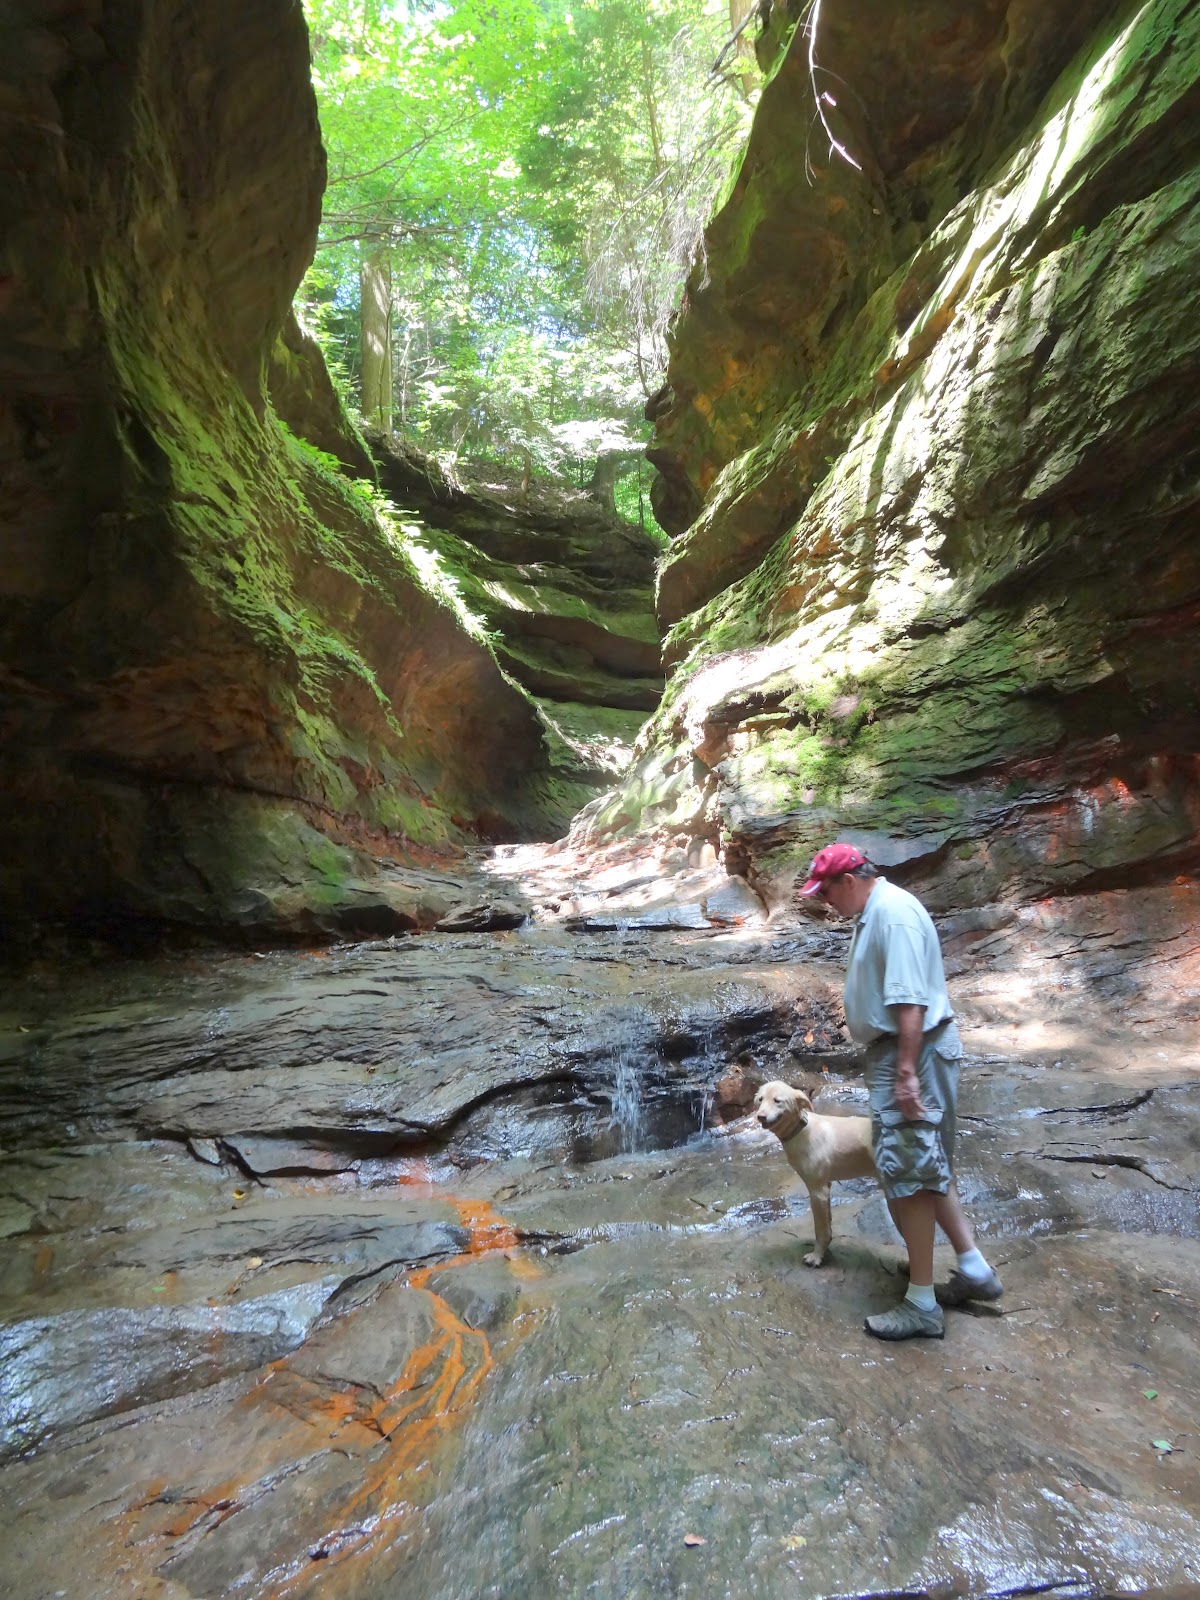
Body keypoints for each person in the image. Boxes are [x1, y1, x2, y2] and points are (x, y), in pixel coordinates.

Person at [797, 842, 1002, 1340]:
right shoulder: (875, 911)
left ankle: (922, 1305)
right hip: (904, 1052)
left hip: (914, 1053)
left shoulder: (893, 915)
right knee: (926, 1165)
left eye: (826, 892)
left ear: (849, 880)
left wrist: (906, 1073)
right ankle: (973, 1269)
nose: (824, 902)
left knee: (908, 1177)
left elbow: (910, 1002)